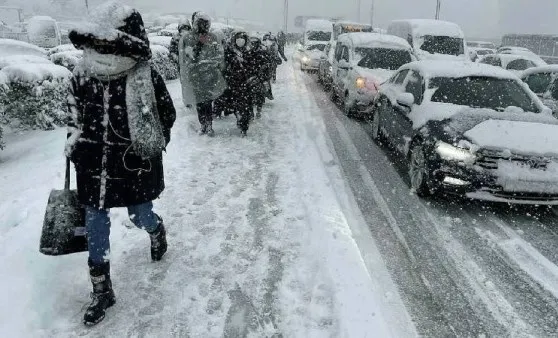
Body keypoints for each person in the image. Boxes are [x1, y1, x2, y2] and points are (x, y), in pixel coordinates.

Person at [66, 1, 176, 326]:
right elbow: (73, 118)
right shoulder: (82, 73)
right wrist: (76, 146)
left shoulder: (144, 74)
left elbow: (166, 115)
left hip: (133, 165)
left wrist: (148, 145)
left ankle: (156, 230)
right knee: (95, 223)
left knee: (139, 214)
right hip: (94, 165)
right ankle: (101, 289)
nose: (104, 49)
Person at [179, 12, 226, 136]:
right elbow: (186, 57)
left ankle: (209, 125)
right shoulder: (188, 38)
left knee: (207, 101)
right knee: (200, 102)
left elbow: (217, 55)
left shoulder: (213, 37)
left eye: (204, 23)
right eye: (200, 23)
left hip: (210, 75)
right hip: (195, 75)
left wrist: (212, 65)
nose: (202, 26)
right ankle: (203, 124)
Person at [223, 31, 254, 136]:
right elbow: (225, 66)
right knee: (236, 106)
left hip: (246, 84)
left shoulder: (249, 51)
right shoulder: (229, 51)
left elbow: (253, 66)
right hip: (233, 84)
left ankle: (243, 126)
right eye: (238, 38)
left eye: (242, 38)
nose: (240, 40)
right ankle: (240, 119)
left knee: (245, 106)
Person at [246, 35, 271, 117]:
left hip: (260, 77)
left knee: (260, 95)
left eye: (254, 43)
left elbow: (267, 64)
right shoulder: (247, 53)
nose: (253, 45)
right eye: (252, 43)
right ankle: (251, 112)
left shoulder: (263, 52)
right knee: (248, 95)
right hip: (250, 77)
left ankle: (259, 110)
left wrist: (264, 76)